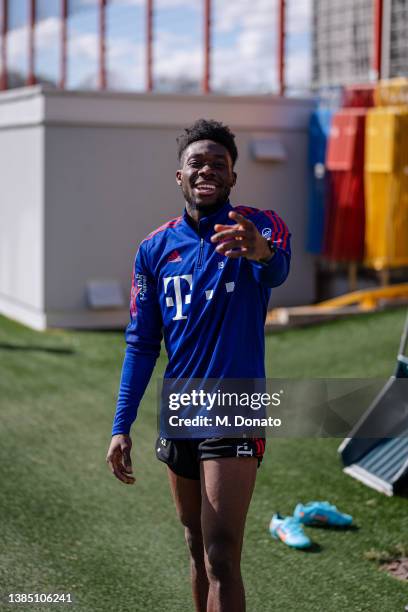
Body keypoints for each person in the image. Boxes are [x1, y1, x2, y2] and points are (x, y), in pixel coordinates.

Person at [106, 119, 291, 612]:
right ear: (179, 176)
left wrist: (260, 251)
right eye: (197, 162)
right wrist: (121, 424)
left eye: (219, 164)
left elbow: (277, 267)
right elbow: (142, 343)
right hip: (181, 409)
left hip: (235, 404)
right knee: (194, 548)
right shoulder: (154, 249)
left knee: (221, 555)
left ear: (232, 177)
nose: (207, 170)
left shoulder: (258, 224)